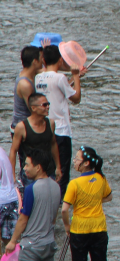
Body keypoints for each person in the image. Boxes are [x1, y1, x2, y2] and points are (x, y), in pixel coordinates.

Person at [5, 150, 60, 261]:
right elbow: (53, 217)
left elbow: (23, 219)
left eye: (28, 165)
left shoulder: (31, 189)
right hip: (49, 244)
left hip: (31, 246)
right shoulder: (56, 186)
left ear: (38, 167)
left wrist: (13, 241)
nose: (25, 168)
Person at [35, 43, 84, 196]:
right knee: (62, 173)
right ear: (60, 60)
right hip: (61, 132)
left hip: (44, 130)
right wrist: (76, 75)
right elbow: (76, 98)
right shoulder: (61, 78)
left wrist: (73, 77)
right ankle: (61, 203)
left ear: (43, 60)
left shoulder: (38, 77)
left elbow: (56, 88)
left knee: (47, 170)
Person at [61, 146, 112, 261]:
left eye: (77, 159)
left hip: (79, 230)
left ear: (86, 163)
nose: (74, 161)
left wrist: (67, 227)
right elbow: (109, 197)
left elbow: (64, 210)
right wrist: (93, 200)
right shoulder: (101, 178)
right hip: (99, 228)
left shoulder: (74, 184)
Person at [8, 93, 60, 188]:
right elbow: (13, 151)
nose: (48, 107)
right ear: (33, 108)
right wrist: (12, 176)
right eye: (44, 105)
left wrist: (58, 167)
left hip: (49, 171)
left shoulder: (51, 123)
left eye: (48, 104)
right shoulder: (22, 127)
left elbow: (53, 144)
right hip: (30, 173)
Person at [12, 45, 43, 144]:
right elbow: (34, 109)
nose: (43, 61)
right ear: (34, 62)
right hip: (23, 129)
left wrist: (76, 73)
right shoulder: (25, 84)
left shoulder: (30, 73)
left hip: (27, 125)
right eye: (41, 58)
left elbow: (50, 69)